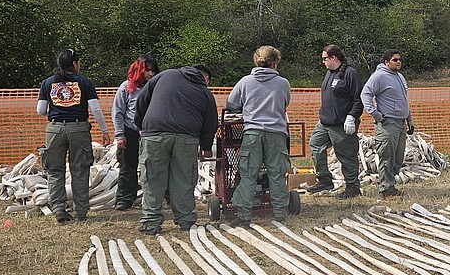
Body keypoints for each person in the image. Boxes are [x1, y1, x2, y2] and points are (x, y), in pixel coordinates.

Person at [134, 63, 218, 234]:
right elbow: (211, 122)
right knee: (184, 179)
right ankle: (185, 220)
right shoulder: (204, 92)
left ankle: (151, 222)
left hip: (154, 134)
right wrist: (206, 147)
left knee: (152, 179)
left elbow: (142, 99)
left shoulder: (164, 75)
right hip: (186, 138)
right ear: (206, 78)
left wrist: (140, 124)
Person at [35, 49, 110, 223]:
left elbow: (40, 111)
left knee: (55, 171)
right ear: (74, 64)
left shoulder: (47, 83)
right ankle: (81, 211)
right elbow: (96, 109)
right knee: (80, 170)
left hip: (54, 129)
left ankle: (59, 209)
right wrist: (105, 130)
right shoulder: (85, 83)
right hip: (79, 129)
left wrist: (56, 112)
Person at [226, 46, 292, 225]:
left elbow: (231, 103)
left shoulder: (245, 81)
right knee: (277, 174)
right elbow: (285, 102)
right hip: (276, 134)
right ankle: (279, 214)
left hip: (252, 133)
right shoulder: (283, 83)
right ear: (274, 63)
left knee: (248, 174)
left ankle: (243, 216)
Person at [307, 44, 364, 199]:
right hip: (325, 122)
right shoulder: (329, 73)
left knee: (346, 155)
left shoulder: (350, 74)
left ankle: (352, 187)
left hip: (341, 123)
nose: (323, 62)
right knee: (315, 145)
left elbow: (359, 98)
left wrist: (352, 116)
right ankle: (324, 179)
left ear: (334, 57)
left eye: (325, 58)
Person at [360, 49, 412, 198]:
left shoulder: (400, 77)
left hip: (401, 123)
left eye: (400, 60)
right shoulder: (379, 76)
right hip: (387, 123)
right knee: (386, 156)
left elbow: (404, 100)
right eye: (395, 60)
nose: (398, 62)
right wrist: (375, 114)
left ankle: (390, 185)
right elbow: (365, 94)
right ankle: (386, 189)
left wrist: (409, 120)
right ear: (386, 62)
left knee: (397, 158)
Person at [111, 54, 159, 210]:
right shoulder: (126, 87)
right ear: (139, 70)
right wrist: (120, 135)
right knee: (127, 168)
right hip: (129, 132)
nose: (151, 74)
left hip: (150, 133)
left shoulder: (156, 87)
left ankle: (154, 199)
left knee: (153, 168)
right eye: (147, 71)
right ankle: (124, 199)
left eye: (153, 71)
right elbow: (118, 112)